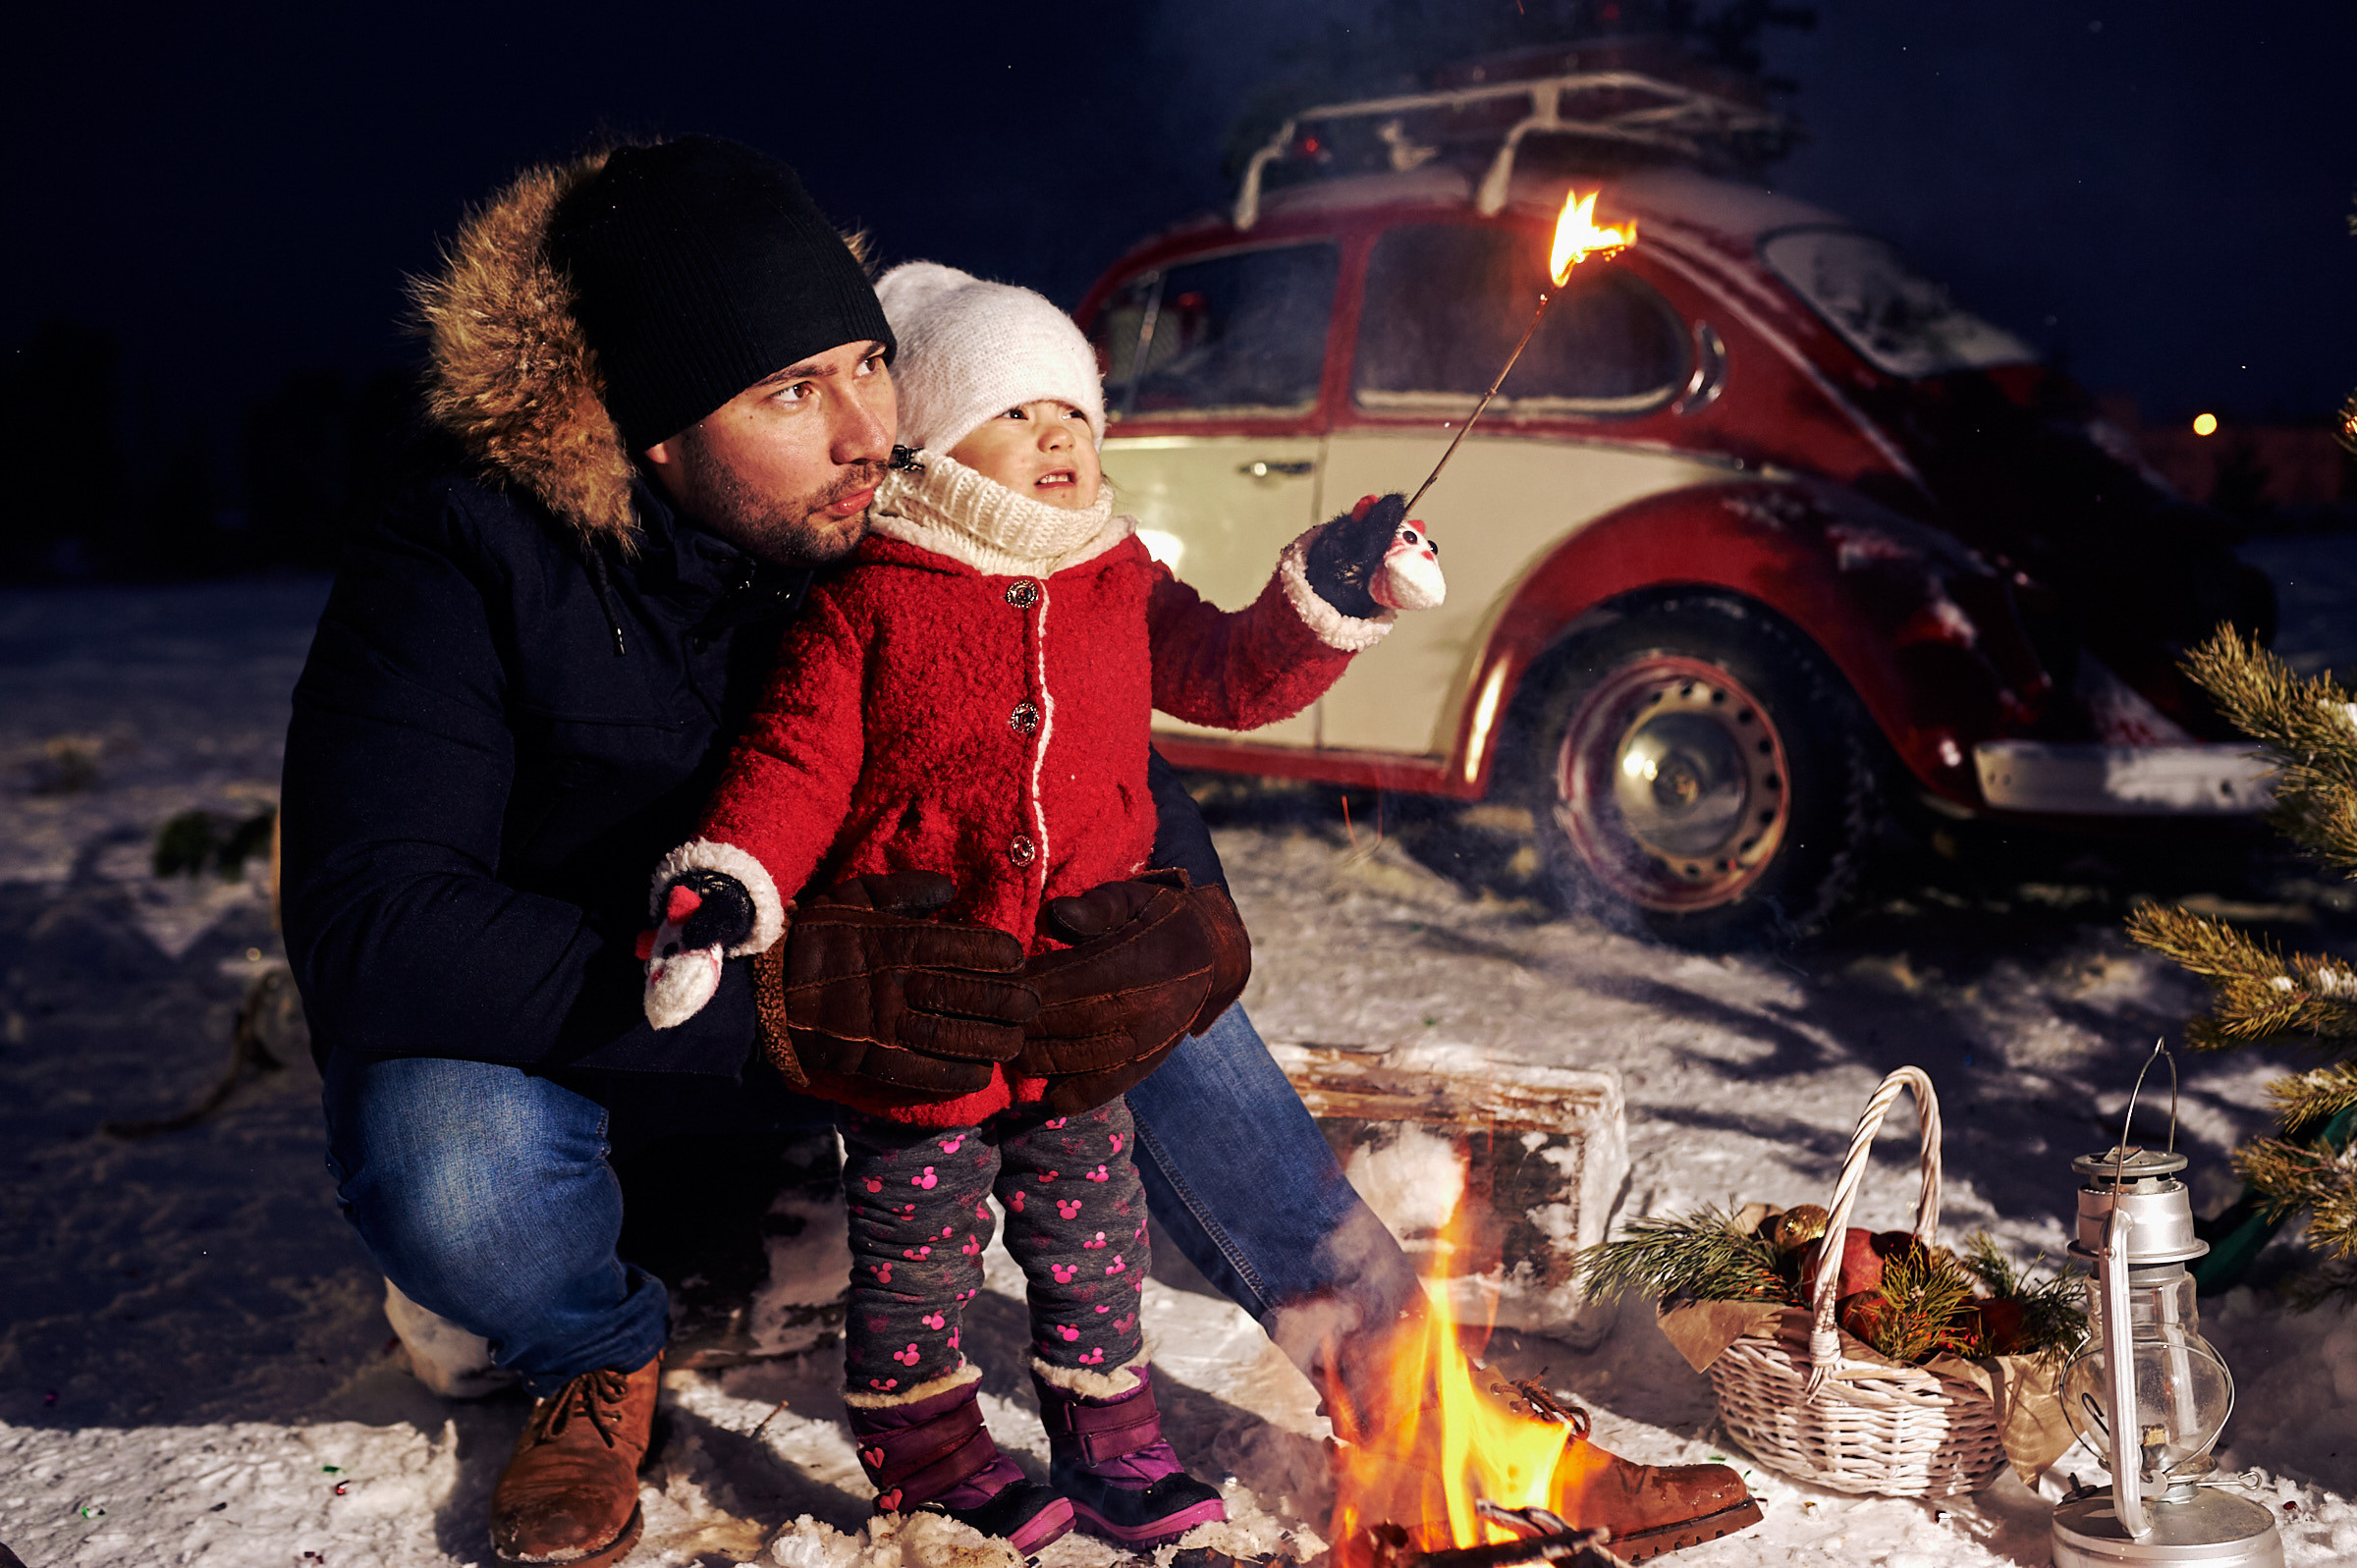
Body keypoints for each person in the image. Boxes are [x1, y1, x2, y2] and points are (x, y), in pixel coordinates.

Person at [281, 135, 1757, 1568]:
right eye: (796, 389)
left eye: (867, 361)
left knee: (1118, 957)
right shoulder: (460, 553)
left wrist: (1177, 924)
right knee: (439, 1150)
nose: (868, 426)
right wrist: (784, 993)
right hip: (616, 1023)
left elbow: (1085, 740)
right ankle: (591, 1348)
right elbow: (373, 922)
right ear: (657, 427)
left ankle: (1410, 1394)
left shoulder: (883, 513)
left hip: (906, 1041)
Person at [633, 259, 1445, 1551]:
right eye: (1016, 413)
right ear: (936, 438)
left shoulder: (1118, 577)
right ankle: (924, 1433)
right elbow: (792, 767)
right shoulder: (871, 602)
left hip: (1079, 990)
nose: (1058, 435)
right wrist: (727, 884)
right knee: (919, 1232)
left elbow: (1230, 670)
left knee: (1093, 1224)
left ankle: (1103, 1418)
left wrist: (1330, 596)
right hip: (922, 996)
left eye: (1073, 412)